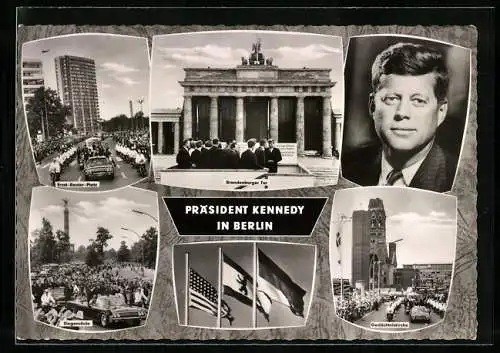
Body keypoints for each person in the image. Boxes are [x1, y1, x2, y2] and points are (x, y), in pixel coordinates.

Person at [341, 42, 457, 192]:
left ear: (441, 111)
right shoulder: (347, 166)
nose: (402, 113)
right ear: (372, 106)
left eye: (418, 101)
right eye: (392, 99)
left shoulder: (456, 177)